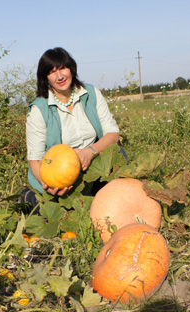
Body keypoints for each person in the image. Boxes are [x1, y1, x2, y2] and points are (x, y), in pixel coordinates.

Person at [21, 47, 124, 211]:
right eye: (52, 72)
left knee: (119, 154)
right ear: (45, 78)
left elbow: (113, 134)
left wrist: (90, 151)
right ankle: (29, 197)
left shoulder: (91, 94)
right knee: (64, 213)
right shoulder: (39, 109)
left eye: (63, 68)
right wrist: (47, 183)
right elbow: (35, 158)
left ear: (71, 69)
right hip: (60, 174)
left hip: (93, 163)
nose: (60, 76)